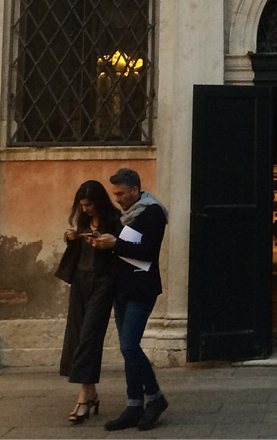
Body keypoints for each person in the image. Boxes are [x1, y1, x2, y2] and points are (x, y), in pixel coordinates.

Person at [91, 168, 169, 432]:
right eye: (115, 194)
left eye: (121, 193)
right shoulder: (124, 215)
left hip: (142, 289)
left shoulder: (153, 213)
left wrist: (115, 245)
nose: (118, 199)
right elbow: (119, 249)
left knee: (129, 347)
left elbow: (148, 251)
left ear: (135, 190)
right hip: (122, 288)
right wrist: (102, 243)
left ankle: (155, 398)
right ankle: (134, 405)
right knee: (127, 352)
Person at [59, 180, 122, 424]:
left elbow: (121, 248)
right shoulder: (84, 220)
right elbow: (77, 250)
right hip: (80, 281)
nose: (85, 210)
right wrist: (72, 237)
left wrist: (105, 242)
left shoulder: (114, 219)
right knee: (75, 336)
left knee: (88, 336)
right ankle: (91, 392)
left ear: (98, 202)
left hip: (102, 282)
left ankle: (84, 397)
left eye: (88, 205)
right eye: (82, 205)